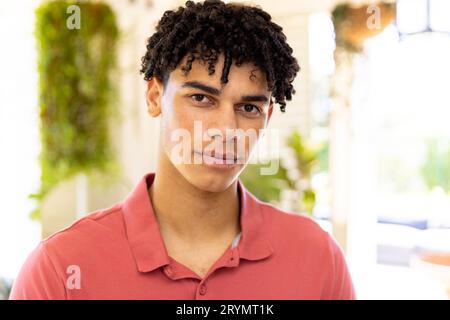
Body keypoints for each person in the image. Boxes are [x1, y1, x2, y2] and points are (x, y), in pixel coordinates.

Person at [10, 0, 355, 299]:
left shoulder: (317, 258)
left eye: (248, 107)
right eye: (201, 98)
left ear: (266, 116)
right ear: (155, 97)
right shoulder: (60, 269)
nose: (225, 130)